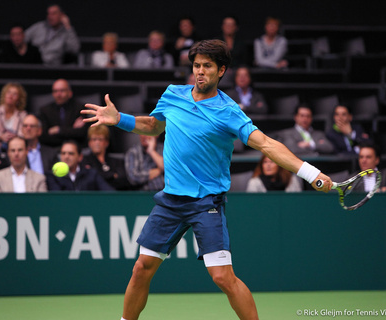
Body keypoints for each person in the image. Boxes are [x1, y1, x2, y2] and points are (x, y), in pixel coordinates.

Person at [82, 39, 332, 320]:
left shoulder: (228, 111)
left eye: (207, 66)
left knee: (222, 277)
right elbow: (153, 126)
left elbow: (266, 144)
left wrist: (310, 173)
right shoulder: (173, 94)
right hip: (170, 201)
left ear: (221, 70)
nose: (200, 71)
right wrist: (119, 120)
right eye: (196, 65)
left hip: (206, 203)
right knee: (141, 268)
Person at [38, 78, 89, 147]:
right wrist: (71, 130)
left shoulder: (80, 108)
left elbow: (81, 133)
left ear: (70, 93)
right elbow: (44, 137)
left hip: (76, 148)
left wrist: (59, 130)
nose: (58, 94)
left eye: (62, 91)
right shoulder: (45, 110)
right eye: (55, 91)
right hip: (52, 149)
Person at [46, 140, 114, 191]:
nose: (66, 157)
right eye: (63, 153)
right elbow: (56, 199)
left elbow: (109, 193)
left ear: (80, 157)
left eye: (71, 153)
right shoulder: (52, 175)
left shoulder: (91, 174)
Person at [81, 125, 133, 190]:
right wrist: (112, 175)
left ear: (106, 142)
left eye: (100, 139)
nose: (97, 142)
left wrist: (99, 175)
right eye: (94, 139)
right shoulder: (84, 161)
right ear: (89, 143)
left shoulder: (117, 162)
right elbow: (89, 181)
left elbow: (124, 181)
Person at [0, 82, 28, 152]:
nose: (10, 96)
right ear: (4, 94)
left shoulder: (22, 114)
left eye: (15, 94)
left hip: (15, 147)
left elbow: (23, 132)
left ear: (19, 99)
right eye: (8, 92)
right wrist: (1, 136)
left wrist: (14, 137)